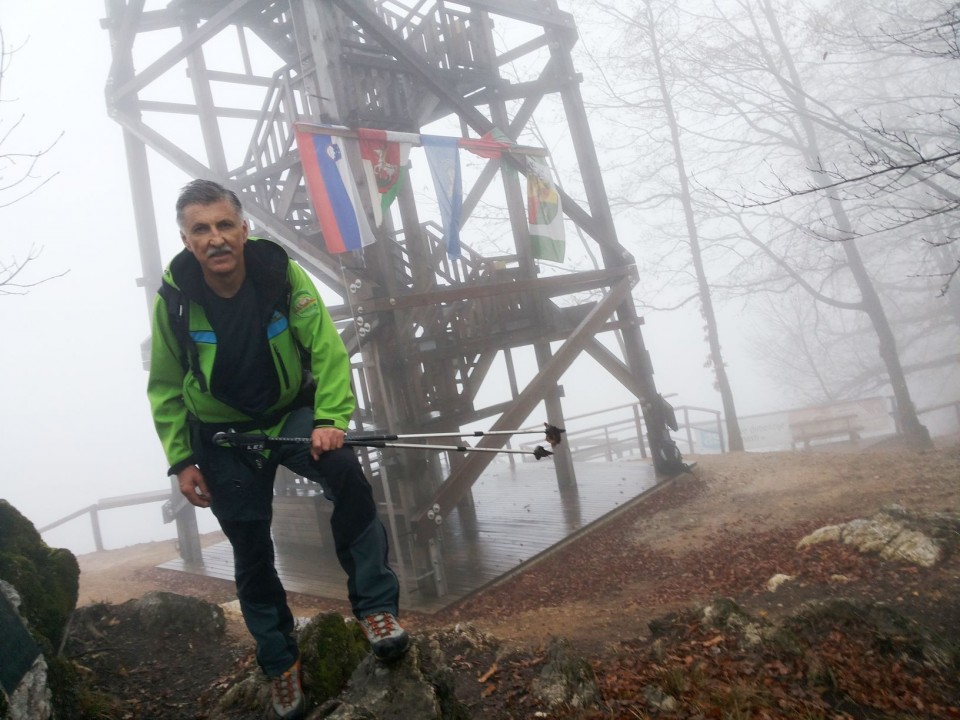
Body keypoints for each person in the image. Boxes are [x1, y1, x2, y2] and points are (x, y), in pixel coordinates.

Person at [146, 179, 410, 719]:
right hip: (221, 435)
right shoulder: (175, 296)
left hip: (289, 412)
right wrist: (181, 458)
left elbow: (327, 349)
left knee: (345, 471)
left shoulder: (279, 272)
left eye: (224, 225)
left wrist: (332, 419)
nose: (216, 238)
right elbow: (165, 383)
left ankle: (377, 608)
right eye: (202, 229)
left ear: (243, 229)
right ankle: (278, 661)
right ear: (186, 239)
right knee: (248, 539)